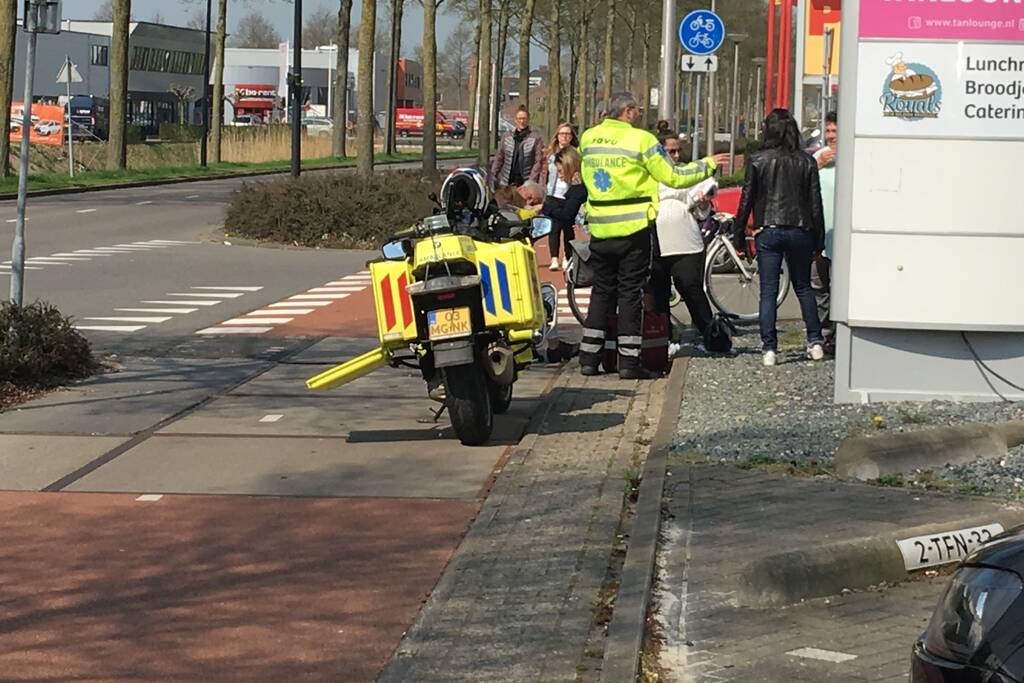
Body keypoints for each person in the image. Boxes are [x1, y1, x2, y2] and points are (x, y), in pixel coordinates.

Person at [578, 91, 728, 380]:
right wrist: (708, 165)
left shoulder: (589, 138)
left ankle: (588, 358)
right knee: (631, 294)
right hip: (633, 229)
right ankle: (629, 363)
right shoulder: (642, 140)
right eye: (637, 110)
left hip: (599, 228)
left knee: (601, 292)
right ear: (629, 112)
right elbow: (674, 177)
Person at [733, 108, 826, 367]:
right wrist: (819, 241)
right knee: (804, 287)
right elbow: (815, 205)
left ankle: (770, 349)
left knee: (768, 292)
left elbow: (746, 200)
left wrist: (739, 236)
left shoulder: (758, 159)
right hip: (801, 230)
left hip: (768, 230)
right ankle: (815, 341)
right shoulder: (807, 162)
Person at [650, 133, 716, 348]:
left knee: (691, 288)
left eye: (679, 150)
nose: (677, 155)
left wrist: (703, 202)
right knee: (658, 293)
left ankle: (710, 334)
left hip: (686, 241)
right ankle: (663, 339)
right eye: (671, 151)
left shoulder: (688, 173)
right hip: (657, 242)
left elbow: (702, 213)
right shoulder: (650, 174)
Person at [539, 122, 580, 270]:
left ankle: (567, 257)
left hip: (568, 195)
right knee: (554, 228)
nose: (565, 137)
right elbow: (544, 173)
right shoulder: (551, 154)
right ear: (557, 136)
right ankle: (554, 258)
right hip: (553, 194)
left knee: (568, 228)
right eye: (562, 134)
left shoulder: (575, 154)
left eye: (568, 134)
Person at [812, 111, 837, 353]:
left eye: (835, 132)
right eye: (828, 131)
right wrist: (817, 166)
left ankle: (841, 334)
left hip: (843, 237)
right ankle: (824, 333)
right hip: (821, 234)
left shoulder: (853, 157)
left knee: (840, 287)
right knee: (820, 286)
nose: (831, 137)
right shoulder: (818, 158)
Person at [490, 105, 544, 189]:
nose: (522, 121)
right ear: (515, 120)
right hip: (506, 182)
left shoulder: (535, 138)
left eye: (524, 118)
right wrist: (493, 175)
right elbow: (499, 158)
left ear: (528, 119)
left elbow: (538, 162)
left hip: (525, 182)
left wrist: (530, 182)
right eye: (519, 118)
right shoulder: (506, 136)